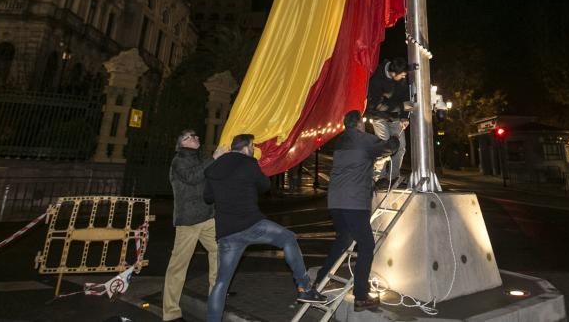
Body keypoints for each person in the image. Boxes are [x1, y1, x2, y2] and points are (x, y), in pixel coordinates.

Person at [204, 133, 326, 322]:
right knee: (288, 238)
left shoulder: (213, 168)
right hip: (252, 225)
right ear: (246, 147)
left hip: (227, 233)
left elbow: (207, 197)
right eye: (253, 146)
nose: (253, 150)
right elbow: (264, 185)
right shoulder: (248, 163)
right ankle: (305, 288)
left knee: (221, 282)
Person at [314, 110, 399, 312]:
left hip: (335, 201)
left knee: (343, 240)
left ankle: (319, 280)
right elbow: (389, 148)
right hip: (354, 203)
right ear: (359, 124)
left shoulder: (340, 142)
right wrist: (396, 133)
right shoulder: (364, 140)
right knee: (367, 245)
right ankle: (361, 296)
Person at [163, 129, 219, 322]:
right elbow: (193, 177)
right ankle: (171, 312)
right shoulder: (179, 161)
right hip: (188, 221)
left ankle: (215, 299)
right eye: (189, 137)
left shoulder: (200, 158)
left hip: (208, 217)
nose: (195, 137)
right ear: (181, 144)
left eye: (196, 135)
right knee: (178, 266)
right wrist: (213, 158)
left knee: (219, 253)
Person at [364, 57, 412, 187]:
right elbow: (377, 105)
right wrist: (401, 106)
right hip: (379, 116)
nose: (404, 78)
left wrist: (404, 116)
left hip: (396, 118)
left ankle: (394, 176)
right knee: (384, 146)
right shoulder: (376, 80)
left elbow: (406, 96)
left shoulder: (401, 76)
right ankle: (380, 178)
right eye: (402, 75)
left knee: (401, 147)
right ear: (392, 73)